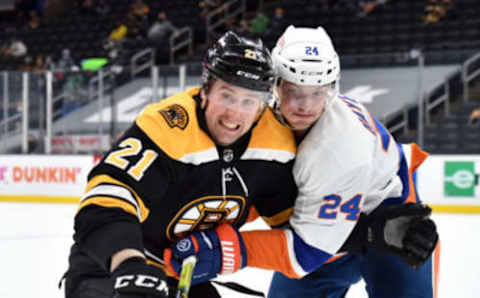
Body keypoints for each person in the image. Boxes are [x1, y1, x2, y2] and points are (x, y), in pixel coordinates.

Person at [167, 26, 439, 298]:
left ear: (330, 89)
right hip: (322, 223)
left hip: (390, 223)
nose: (305, 106)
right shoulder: (259, 119)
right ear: (274, 85)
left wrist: (220, 248)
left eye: (317, 93)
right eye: (294, 91)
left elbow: (306, 253)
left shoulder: (340, 147)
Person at [61, 31, 299, 298]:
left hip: (182, 275)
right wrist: (128, 263)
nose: (234, 112)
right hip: (111, 267)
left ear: (261, 107)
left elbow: (298, 225)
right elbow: (103, 201)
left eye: (248, 101)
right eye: (227, 95)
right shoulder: (169, 126)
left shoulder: (275, 143)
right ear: (205, 90)